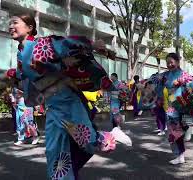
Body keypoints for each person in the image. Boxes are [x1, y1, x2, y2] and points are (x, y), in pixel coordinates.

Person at [7, 14, 131, 179]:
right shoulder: (21, 54)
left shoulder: (40, 45)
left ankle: (108, 134)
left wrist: (93, 45)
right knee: (54, 149)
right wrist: (14, 74)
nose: (11, 26)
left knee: (87, 140)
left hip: (67, 102)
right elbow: (26, 76)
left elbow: (66, 45)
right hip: (53, 106)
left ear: (29, 27)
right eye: (10, 23)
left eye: (15, 22)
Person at [153, 53, 193, 165]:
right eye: (167, 62)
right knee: (174, 130)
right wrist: (157, 97)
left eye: (171, 62)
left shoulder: (185, 75)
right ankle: (180, 154)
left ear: (177, 62)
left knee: (178, 128)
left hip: (182, 103)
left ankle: (180, 153)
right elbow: (156, 83)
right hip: (170, 105)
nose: (169, 64)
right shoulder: (165, 75)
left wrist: (183, 84)